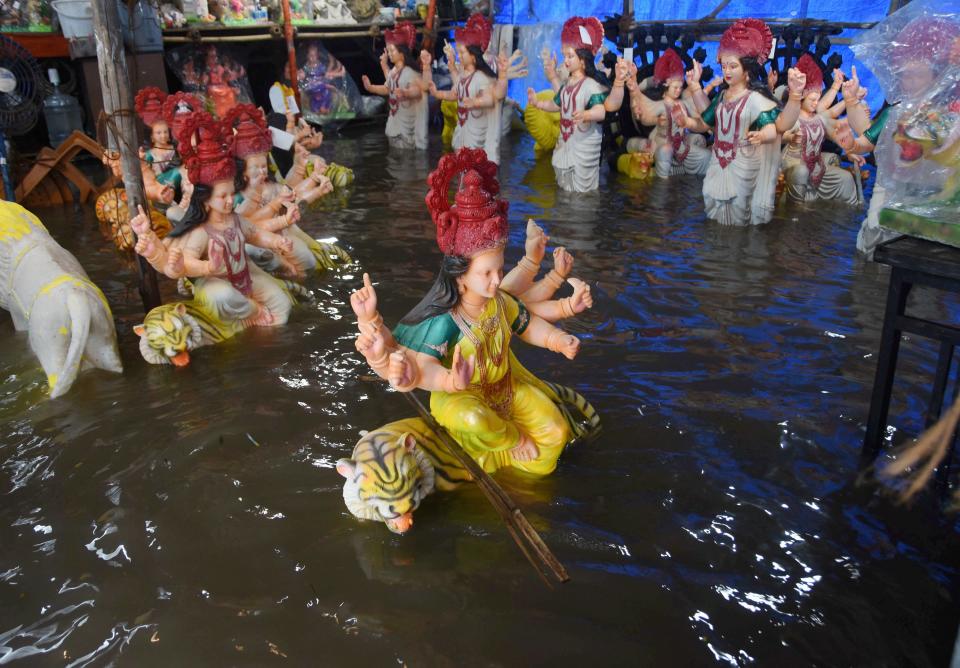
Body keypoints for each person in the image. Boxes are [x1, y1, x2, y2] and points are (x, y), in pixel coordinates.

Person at [349, 148, 599, 478]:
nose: (497, 281)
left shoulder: (498, 302)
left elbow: (526, 324)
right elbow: (422, 369)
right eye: (487, 274)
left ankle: (514, 471)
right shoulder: (446, 319)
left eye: (499, 270)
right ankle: (507, 442)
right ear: (459, 274)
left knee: (555, 431)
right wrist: (451, 380)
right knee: (473, 420)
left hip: (504, 389)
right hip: (459, 399)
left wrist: (558, 340)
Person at [684, 18, 807, 225]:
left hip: (744, 161)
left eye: (733, 66)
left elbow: (773, 128)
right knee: (711, 201)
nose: (727, 71)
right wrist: (695, 87)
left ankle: (737, 249)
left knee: (739, 209)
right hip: (718, 160)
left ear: (747, 70)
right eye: (724, 66)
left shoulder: (755, 100)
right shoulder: (722, 96)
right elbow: (707, 119)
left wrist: (762, 135)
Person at [525, 16, 628, 192]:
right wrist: (538, 103)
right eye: (565, 55)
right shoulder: (567, 85)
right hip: (565, 144)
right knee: (564, 185)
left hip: (584, 147)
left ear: (583, 59)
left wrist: (587, 114)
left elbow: (601, 111)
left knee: (582, 192)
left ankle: (580, 217)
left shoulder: (591, 86)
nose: (566, 60)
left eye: (570, 56)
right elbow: (557, 104)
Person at [779, 54, 860, 206]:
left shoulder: (819, 119)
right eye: (812, 100)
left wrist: (850, 151)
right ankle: (795, 211)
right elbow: (779, 134)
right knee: (801, 172)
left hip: (816, 166)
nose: (816, 104)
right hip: (793, 163)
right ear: (802, 97)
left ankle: (849, 209)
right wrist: (789, 138)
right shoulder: (793, 117)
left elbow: (836, 134)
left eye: (817, 99)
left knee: (846, 178)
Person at [625, 49, 711, 178]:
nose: (678, 91)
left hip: (681, 146)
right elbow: (645, 117)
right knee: (666, 150)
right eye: (675, 87)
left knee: (706, 156)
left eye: (680, 87)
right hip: (662, 144)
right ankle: (662, 181)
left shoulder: (682, 103)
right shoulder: (661, 105)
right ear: (666, 85)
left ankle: (691, 177)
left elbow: (700, 114)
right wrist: (634, 90)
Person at [361, 21, 428, 150]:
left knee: (407, 153)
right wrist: (371, 87)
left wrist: (406, 93)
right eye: (389, 50)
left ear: (402, 53)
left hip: (407, 121)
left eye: (392, 50)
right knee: (396, 152)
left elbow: (418, 91)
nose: (390, 53)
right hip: (395, 119)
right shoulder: (394, 72)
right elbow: (388, 89)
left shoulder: (410, 72)